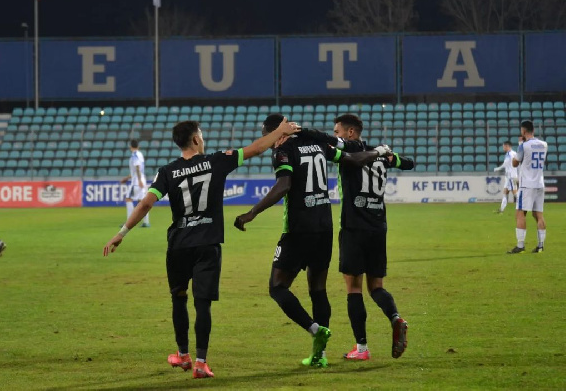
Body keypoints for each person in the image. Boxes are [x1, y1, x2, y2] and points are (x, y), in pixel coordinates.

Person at [103, 118, 300, 379]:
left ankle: (182, 354)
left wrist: (122, 233)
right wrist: (279, 132)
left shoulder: (167, 171)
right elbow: (255, 148)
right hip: (207, 244)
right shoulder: (216, 161)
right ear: (196, 139)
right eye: (202, 135)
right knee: (203, 304)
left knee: (179, 298)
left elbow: (145, 204)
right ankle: (200, 363)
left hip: (179, 246)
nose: (203, 139)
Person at [233, 114, 393, 368]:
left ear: (278, 133)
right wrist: (379, 152)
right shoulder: (318, 144)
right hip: (324, 227)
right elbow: (351, 159)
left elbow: (284, 185)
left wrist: (252, 212)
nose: (269, 142)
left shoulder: (283, 149)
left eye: (269, 136)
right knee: (317, 289)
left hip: (298, 229)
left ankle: (314, 329)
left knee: (277, 287)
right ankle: (320, 354)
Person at [298, 114, 413, 360]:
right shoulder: (379, 153)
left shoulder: (351, 149)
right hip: (379, 227)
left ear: (351, 133)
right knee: (376, 287)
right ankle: (396, 317)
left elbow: (324, 140)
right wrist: (392, 157)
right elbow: (409, 163)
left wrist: (298, 130)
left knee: (353, 288)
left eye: (338, 131)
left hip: (354, 228)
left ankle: (361, 348)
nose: (335, 134)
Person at [508, 120, 548, 254]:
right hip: (539, 183)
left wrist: (520, 144)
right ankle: (541, 245)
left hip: (526, 185)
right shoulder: (544, 144)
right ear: (534, 131)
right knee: (538, 214)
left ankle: (520, 246)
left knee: (520, 213)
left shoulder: (523, 146)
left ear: (523, 131)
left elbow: (515, 163)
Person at [120, 139, 150, 227]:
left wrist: (139, 180)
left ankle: (129, 222)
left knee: (128, 198)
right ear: (138, 146)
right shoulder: (140, 154)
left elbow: (137, 167)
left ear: (130, 147)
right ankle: (146, 222)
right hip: (141, 180)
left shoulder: (134, 155)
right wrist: (127, 178)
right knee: (142, 202)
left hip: (137, 181)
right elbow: (137, 169)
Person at [493, 141, 518, 214]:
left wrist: (498, 168)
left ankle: (523, 206)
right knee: (505, 192)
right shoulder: (512, 153)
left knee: (515, 193)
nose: (503, 148)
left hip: (511, 176)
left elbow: (505, 164)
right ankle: (501, 210)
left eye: (504, 146)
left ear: (507, 146)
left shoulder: (510, 154)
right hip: (509, 176)